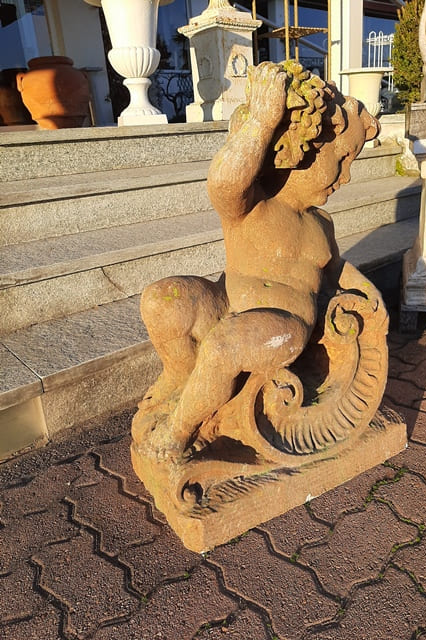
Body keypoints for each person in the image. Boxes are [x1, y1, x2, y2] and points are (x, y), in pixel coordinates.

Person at [132, 61, 379, 462]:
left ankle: (177, 434)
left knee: (225, 345)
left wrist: (364, 301)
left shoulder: (321, 223)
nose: (346, 176)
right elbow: (224, 182)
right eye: (343, 157)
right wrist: (263, 122)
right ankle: (181, 378)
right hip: (226, 302)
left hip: (285, 326)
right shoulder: (253, 205)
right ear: (306, 148)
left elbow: (336, 272)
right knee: (162, 298)